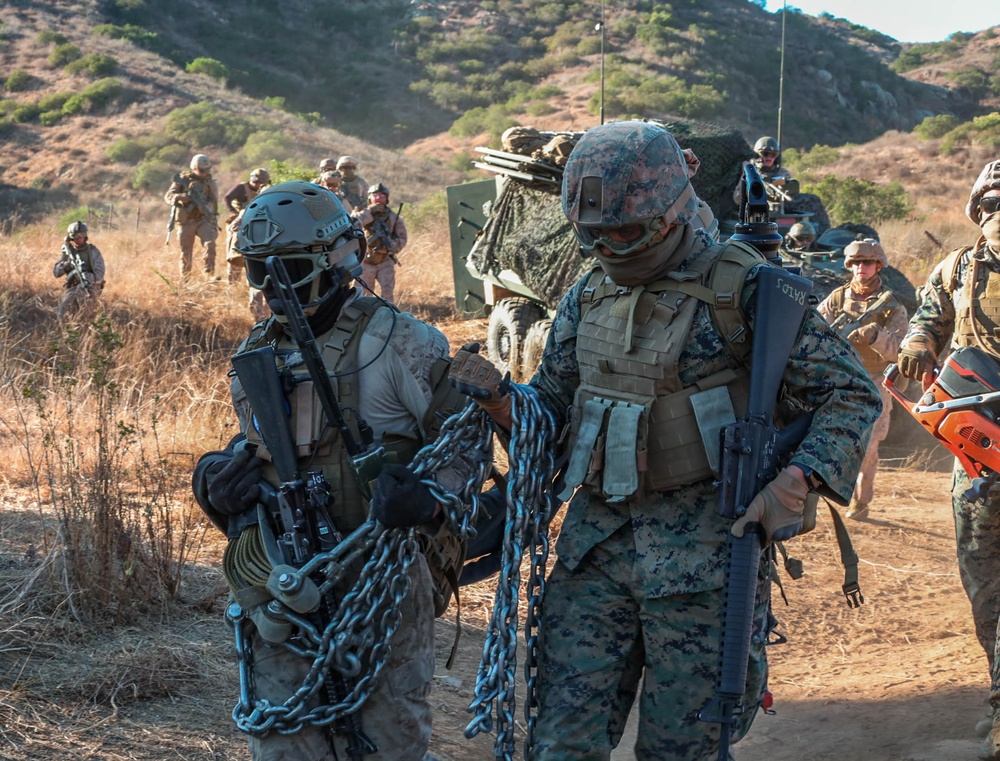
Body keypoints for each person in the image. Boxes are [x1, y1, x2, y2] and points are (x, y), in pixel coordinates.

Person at [449, 120, 881, 760]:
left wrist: (797, 481)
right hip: (593, 552)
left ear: (675, 209)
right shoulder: (585, 293)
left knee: (683, 751)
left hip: (708, 558)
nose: (613, 245)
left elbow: (850, 396)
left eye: (628, 229)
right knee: (558, 745)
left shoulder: (750, 291)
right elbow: (552, 409)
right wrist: (498, 399)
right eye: (597, 234)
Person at [191, 180, 475, 761]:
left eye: (287, 269)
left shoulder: (400, 341)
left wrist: (427, 497)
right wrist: (215, 479)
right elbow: (258, 448)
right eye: (258, 270)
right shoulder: (257, 355)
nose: (271, 287)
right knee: (283, 740)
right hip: (285, 580)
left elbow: (464, 443)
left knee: (387, 739)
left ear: (332, 261)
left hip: (383, 580)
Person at [896, 160, 1000, 759]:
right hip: (977, 453)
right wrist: (915, 346)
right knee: (985, 584)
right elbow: (927, 320)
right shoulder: (958, 268)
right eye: (992, 203)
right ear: (976, 208)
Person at [818, 238, 908, 520]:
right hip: (841, 377)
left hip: (875, 380)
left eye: (867, 262)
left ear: (878, 265)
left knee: (868, 446)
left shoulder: (891, 306)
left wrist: (875, 337)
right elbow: (817, 330)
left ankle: (861, 500)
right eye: (856, 262)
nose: (861, 268)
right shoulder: (837, 298)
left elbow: (901, 350)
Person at [164, 153, 219, 279]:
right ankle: (186, 279)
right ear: (194, 168)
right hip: (186, 220)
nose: (204, 173)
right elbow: (168, 196)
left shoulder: (209, 182)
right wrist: (180, 197)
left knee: (210, 244)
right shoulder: (183, 179)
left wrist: (207, 207)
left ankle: (209, 274)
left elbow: (214, 200)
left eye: (207, 170)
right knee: (186, 252)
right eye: (201, 170)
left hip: (203, 219)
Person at [355, 182, 407, 304]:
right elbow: (354, 221)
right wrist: (369, 212)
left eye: (382, 195)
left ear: (387, 199)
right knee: (362, 294)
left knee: (387, 293)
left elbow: (402, 237)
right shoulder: (361, 213)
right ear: (369, 197)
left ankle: (388, 316)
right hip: (365, 260)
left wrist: (392, 246)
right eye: (375, 195)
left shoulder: (394, 217)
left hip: (385, 260)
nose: (379, 198)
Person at [223, 167, 271, 284]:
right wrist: (234, 212)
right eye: (258, 182)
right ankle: (233, 282)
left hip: (254, 222)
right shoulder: (241, 188)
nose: (259, 185)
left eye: (262, 183)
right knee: (235, 250)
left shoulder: (265, 191)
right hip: (238, 222)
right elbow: (227, 198)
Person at [53, 221, 105, 318]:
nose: (79, 238)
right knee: (63, 309)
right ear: (71, 236)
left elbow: (99, 275)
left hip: (91, 286)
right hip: (73, 286)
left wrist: (86, 276)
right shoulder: (68, 251)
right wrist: (66, 266)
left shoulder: (93, 251)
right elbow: (56, 273)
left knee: (85, 307)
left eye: (82, 234)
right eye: (76, 235)